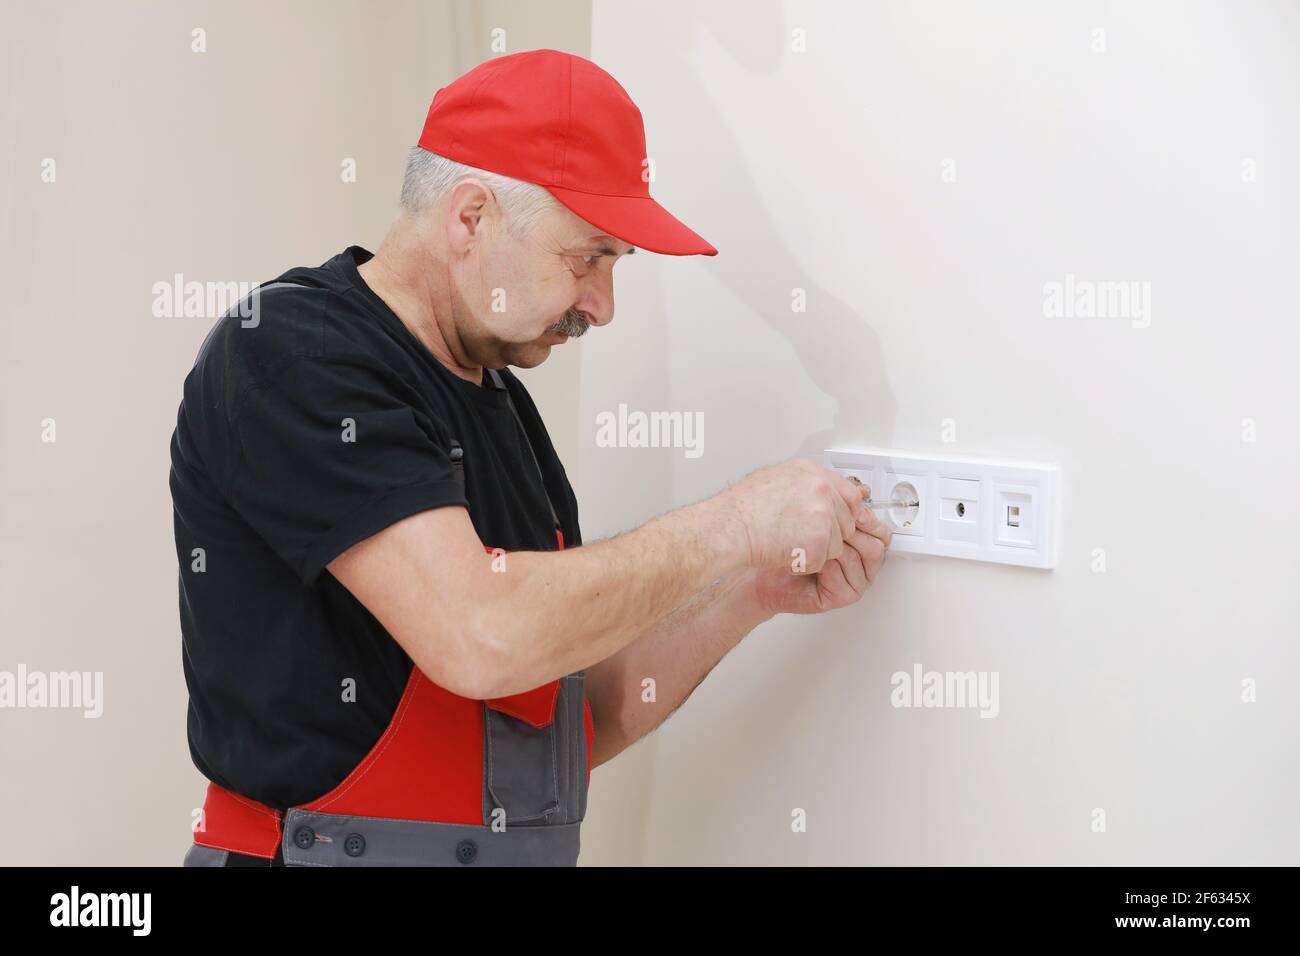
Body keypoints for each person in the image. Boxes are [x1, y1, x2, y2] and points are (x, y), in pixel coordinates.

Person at [171, 48, 890, 867]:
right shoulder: (294, 352)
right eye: (589, 257)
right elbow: (481, 634)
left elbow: (579, 721)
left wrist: (754, 586)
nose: (603, 305)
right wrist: (734, 524)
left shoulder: (500, 402)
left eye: (616, 265)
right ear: (471, 217)